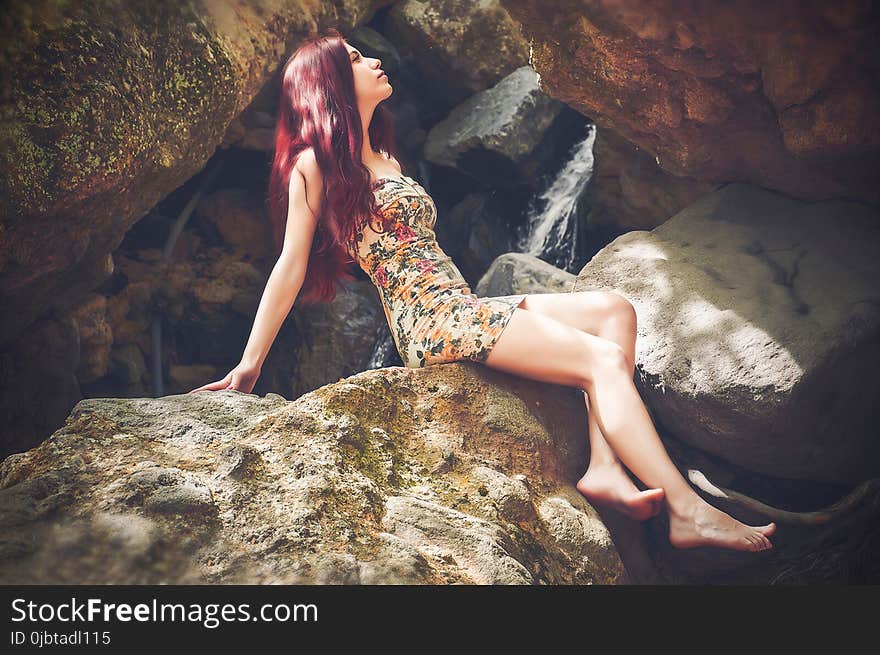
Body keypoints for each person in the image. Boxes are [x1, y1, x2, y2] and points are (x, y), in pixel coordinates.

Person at [190, 29, 776, 553]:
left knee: (614, 313)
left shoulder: (385, 155)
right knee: (597, 360)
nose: (373, 62)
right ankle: (686, 509)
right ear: (331, 85)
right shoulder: (314, 165)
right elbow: (290, 264)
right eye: (356, 58)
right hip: (431, 320)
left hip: (462, 305)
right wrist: (250, 364)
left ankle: (604, 468)